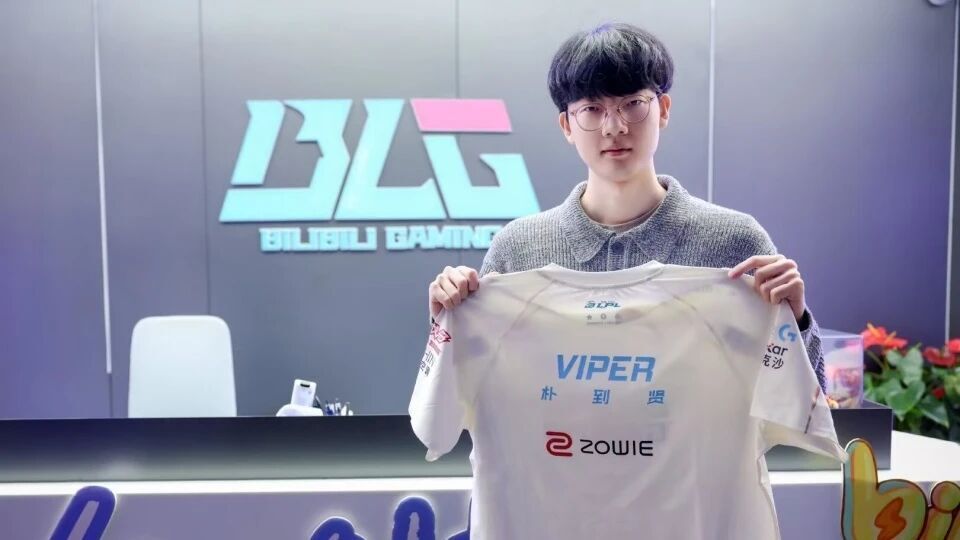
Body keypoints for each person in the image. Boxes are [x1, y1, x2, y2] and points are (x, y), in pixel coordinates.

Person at [426, 22, 825, 390]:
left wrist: (796, 321)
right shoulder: (518, 249)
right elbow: (470, 391)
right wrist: (449, 318)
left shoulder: (734, 243)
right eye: (592, 109)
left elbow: (806, 402)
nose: (614, 127)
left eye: (632, 103)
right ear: (566, 125)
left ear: (663, 110)